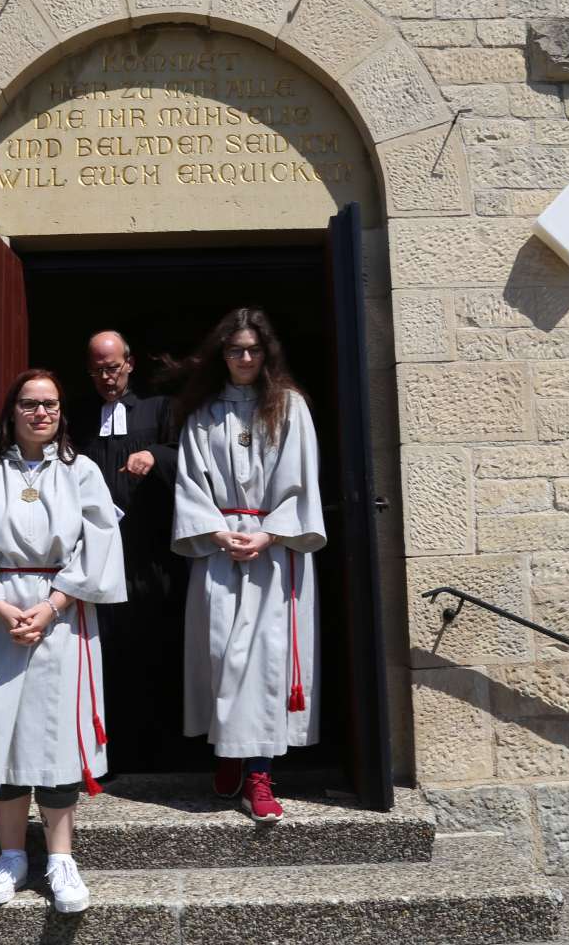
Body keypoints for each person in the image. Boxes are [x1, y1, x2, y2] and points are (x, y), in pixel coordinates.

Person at [0, 368, 126, 914]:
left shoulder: (81, 471)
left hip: (63, 613)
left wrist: (54, 604)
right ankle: (10, 855)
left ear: (61, 412)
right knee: (3, 734)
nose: (41, 413)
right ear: (12, 411)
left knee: (55, 736)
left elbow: (100, 540)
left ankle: (61, 858)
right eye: (31, 404)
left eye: (51, 405)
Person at [171, 308, 326, 824]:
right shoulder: (203, 413)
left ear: (266, 354)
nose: (244, 358)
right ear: (222, 354)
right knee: (221, 655)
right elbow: (190, 482)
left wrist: (269, 533)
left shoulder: (289, 407)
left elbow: (302, 481)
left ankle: (259, 773)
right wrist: (217, 531)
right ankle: (228, 753)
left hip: (273, 551)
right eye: (235, 349)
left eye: (253, 350)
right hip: (219, 549)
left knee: (264, 663)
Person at [74, 331, 184, 770]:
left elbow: (188, 456)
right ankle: (109, 753)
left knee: (154, 645)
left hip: (149, 552)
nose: (106, 378)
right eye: (96, 371)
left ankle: (162, 753)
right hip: (101, 555)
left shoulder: (159, 409)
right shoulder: (81, 418)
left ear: (130, 364)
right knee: (107, 651)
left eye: (112, 368)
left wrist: (155, 455)